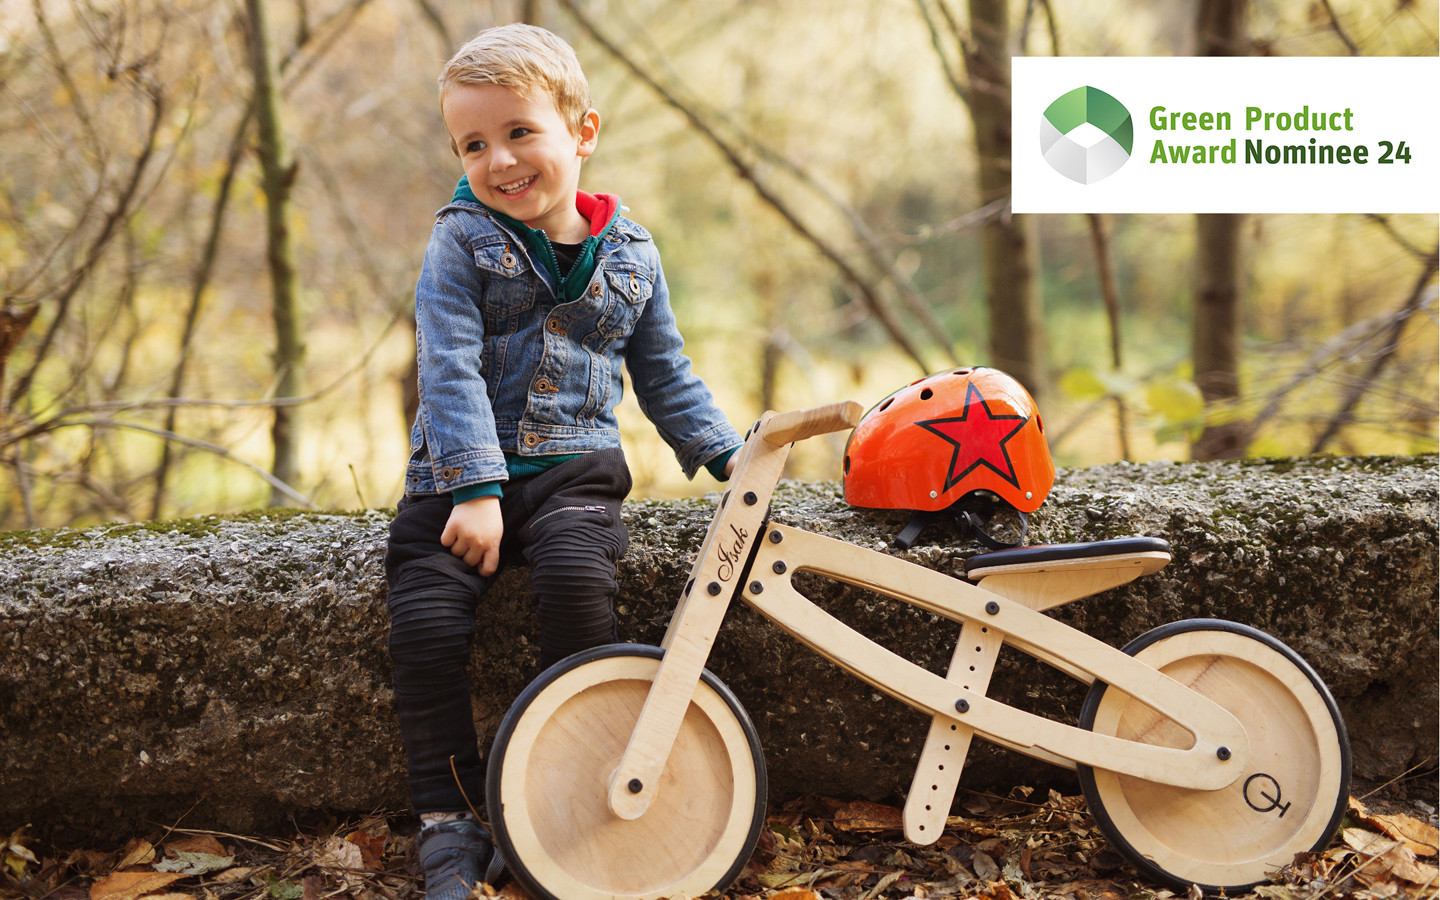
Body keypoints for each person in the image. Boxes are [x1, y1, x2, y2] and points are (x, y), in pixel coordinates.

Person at [383, 22, 743, 900]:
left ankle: (552, 795)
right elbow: (450, 361)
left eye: (519, 132)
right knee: (426, 627)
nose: (498, 160)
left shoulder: (632, 255)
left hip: (574, 473)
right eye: (474, 144)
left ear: (582, 131)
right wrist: (474, 488)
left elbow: (664, 372)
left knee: (579, 588)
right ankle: (448, 817)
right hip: (457, 480)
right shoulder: (461, 241)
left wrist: (729, 456)